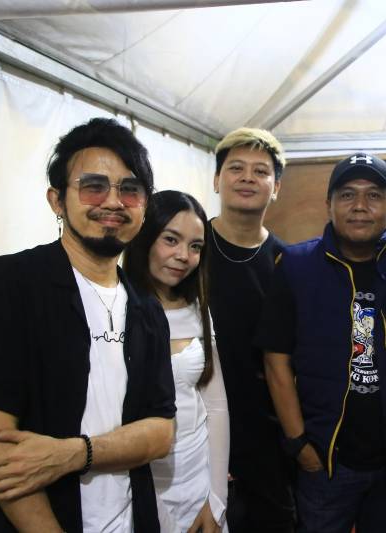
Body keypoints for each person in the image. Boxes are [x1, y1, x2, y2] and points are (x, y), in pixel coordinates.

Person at [0, 117, 176, 532]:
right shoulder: (7, 284)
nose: (113, 202)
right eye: (93, 186)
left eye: (130, 190)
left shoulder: (147, 309)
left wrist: (75, 453)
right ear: (57, 200)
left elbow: (160, 432)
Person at [257, 152, 386, 533]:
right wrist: (298, 444)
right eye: (347, 195)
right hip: (325, 462)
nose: (359, 206)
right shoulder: (295, 265)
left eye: (373, 195)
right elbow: (276, 360)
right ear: (329, 204)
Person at [123, 190, 229, 533]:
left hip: (197, 472)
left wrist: (217, 500)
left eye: (195, 246)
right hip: (139, 480)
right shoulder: (118, 308)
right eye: (171, 239)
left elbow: (216, 406)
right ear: (145, 237)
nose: (183, 256)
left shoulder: (197, 307)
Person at [207, 127, 295, 532]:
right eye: (235, 168)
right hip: (195, 429)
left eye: (260, 171)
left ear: (275, 187)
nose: (247, 178)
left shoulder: (287, 263)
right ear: (216, 180)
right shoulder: (189, 249)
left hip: (265, 437)